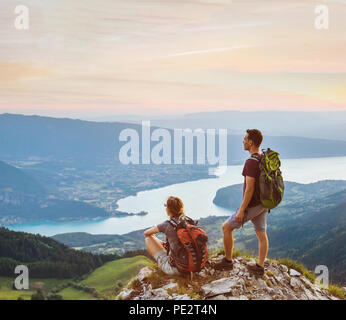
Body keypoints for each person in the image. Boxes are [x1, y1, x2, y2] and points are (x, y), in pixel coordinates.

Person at [214, 129, 269, 276]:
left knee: (226, 228)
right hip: (264, 204)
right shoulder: (263, 157)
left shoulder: (251, 162)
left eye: (245, 139)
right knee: (261, 234)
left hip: (253, 204)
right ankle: (260, 267)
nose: (243, 142)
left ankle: (227, 261)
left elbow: (249, 189)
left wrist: (241, 210)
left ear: (251, 142)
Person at [144, 196, 186, 276]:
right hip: (195, 264)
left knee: (148, 239)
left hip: (178, 269)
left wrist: (158, 241)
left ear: (168, 209)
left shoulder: (167, 224)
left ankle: (161, 264)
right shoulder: (188, 221)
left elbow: (146, 233)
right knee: (154, 238)